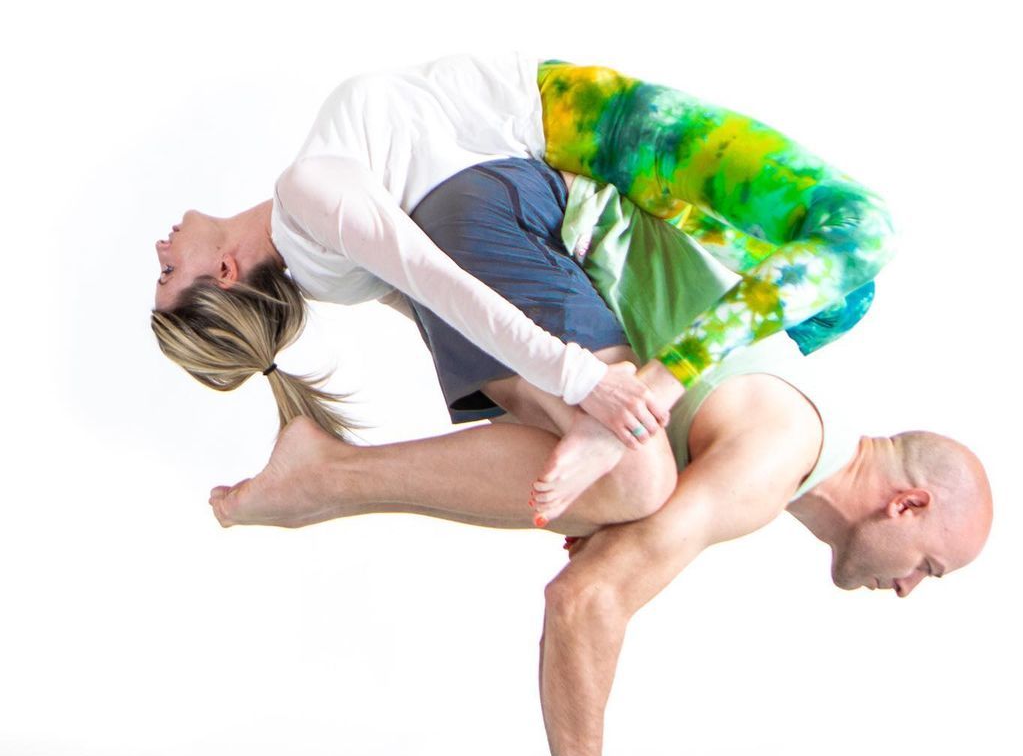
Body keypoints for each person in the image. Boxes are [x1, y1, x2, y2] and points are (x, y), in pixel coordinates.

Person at [206, 157, 992, 756]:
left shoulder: (783, 426)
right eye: (929, 567)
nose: (908, 588)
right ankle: (323, 475)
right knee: (630, 478)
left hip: (490, 215)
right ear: (909, 504)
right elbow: (586, 600)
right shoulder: (775, 456)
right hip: (511, 214)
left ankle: (322, 473)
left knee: (627, 482)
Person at [151, 52, 897, 522]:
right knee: (860, 236)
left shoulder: (328, 272)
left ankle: (669, 446)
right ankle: (327, 479)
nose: (161, 248)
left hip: (562, 186)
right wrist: (585, 385)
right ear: (225, 274)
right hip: (588, 125)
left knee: (834, 303)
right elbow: (439, 283)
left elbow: (451, 312)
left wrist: (582, 476)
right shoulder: (310, 189)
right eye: (167, 271)